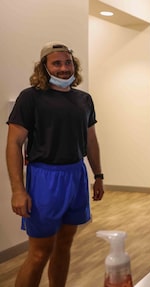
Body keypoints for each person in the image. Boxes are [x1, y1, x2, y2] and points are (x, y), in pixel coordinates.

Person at [6, 41, 105, 286]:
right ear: (45, 67)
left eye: (68, 62)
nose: (64, 68)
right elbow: (13, 144)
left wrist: (98, 176)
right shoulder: (31, 98)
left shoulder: (84, 100)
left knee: (64, 246)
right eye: (57, 63)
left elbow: (91, 140)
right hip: (44, 179)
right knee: (40, 253)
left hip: (76, 175)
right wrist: (18, 190)